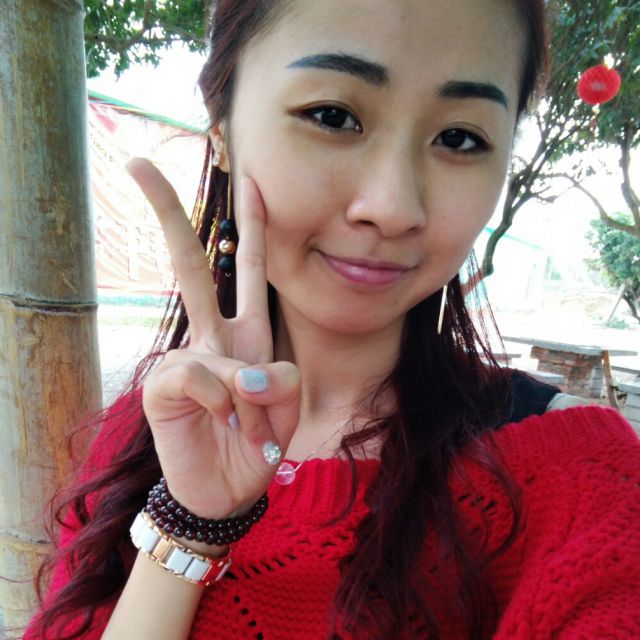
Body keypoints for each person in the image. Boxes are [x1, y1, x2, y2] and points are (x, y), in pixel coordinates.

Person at [24, 1, 640, 639]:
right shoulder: (146, 432)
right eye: (333, 116)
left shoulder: (578, 478)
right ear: (222, 128)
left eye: (460, 138)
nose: (393, 208)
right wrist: (191, 521)